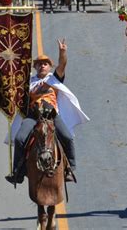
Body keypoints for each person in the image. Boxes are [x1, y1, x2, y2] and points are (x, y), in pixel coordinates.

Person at [5, 39, 89, 185]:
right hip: (33, 115)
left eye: (45, 63)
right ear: (36, 67)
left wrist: (62, 52)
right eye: (39, 63)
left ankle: (70, 168)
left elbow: (62, 65)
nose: (42, 65)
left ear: (50, 67)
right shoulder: (27, 81)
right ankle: (18, 172)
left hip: (51, 115)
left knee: (67, 137)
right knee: (19, 138)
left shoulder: (54, 79)